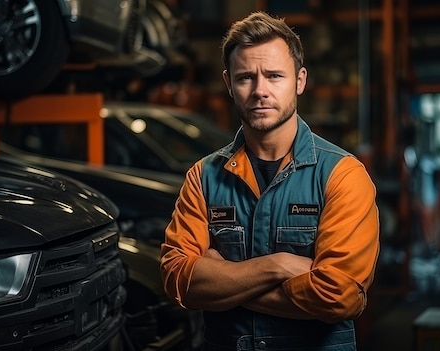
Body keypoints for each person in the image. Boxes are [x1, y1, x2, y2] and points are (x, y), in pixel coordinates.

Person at [160, 11, 380, 351]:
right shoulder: (202, 177)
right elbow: (178, 279)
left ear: (300, 80)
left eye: (274, 76)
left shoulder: (343, 175)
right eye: (246, 77)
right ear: (229, 83)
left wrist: (224, 285)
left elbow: (340, 297)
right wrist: (278, 266)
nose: (260, 90)